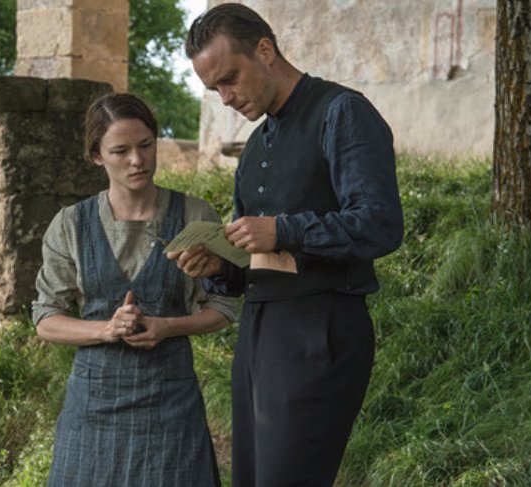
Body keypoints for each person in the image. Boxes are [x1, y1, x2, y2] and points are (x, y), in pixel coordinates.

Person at [167, 4, 404, 486]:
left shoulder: (342, 112)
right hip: (259, 329)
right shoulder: (255, 147)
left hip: (321, 326)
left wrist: (284, 230)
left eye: (230, 79)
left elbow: (380, 224)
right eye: (215, 90)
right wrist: (220, 266)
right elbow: (257, 260)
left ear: (265, 50)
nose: (226, 98)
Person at [32, 92, 235, 487]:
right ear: (97, 156)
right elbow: (46, 319)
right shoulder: (70, 224)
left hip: (170, 405)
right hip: (93, 405)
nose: (137, 160)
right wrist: (106, 329)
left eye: (145, 145)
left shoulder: (194, 216)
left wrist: (168, 326)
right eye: (120, 151)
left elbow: (224, 307)